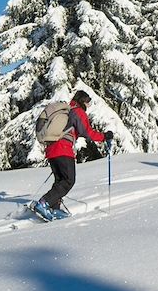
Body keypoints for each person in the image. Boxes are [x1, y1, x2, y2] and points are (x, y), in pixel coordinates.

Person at [33, 90, 113, 220]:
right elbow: (87, 132)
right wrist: (105, 136)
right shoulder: (77, 112)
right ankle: (44, 203)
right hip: (63, 150)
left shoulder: (68, 112)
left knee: (60, 181)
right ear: (82, 101)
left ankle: (53, 208)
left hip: (52, 150)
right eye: (88, 102)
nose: (88, 105)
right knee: (68, 181)